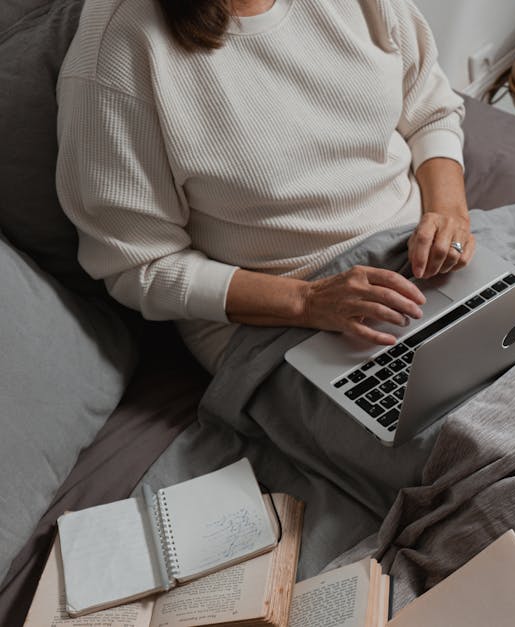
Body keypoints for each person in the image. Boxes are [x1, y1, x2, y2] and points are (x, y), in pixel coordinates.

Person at [56, 0, 474, 374]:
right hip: (283, 319)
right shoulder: (116, 52)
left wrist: (449, 212)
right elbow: (137, 268)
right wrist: (307, 301)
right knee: (472, 441)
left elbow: (430, 110)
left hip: (421, 258)